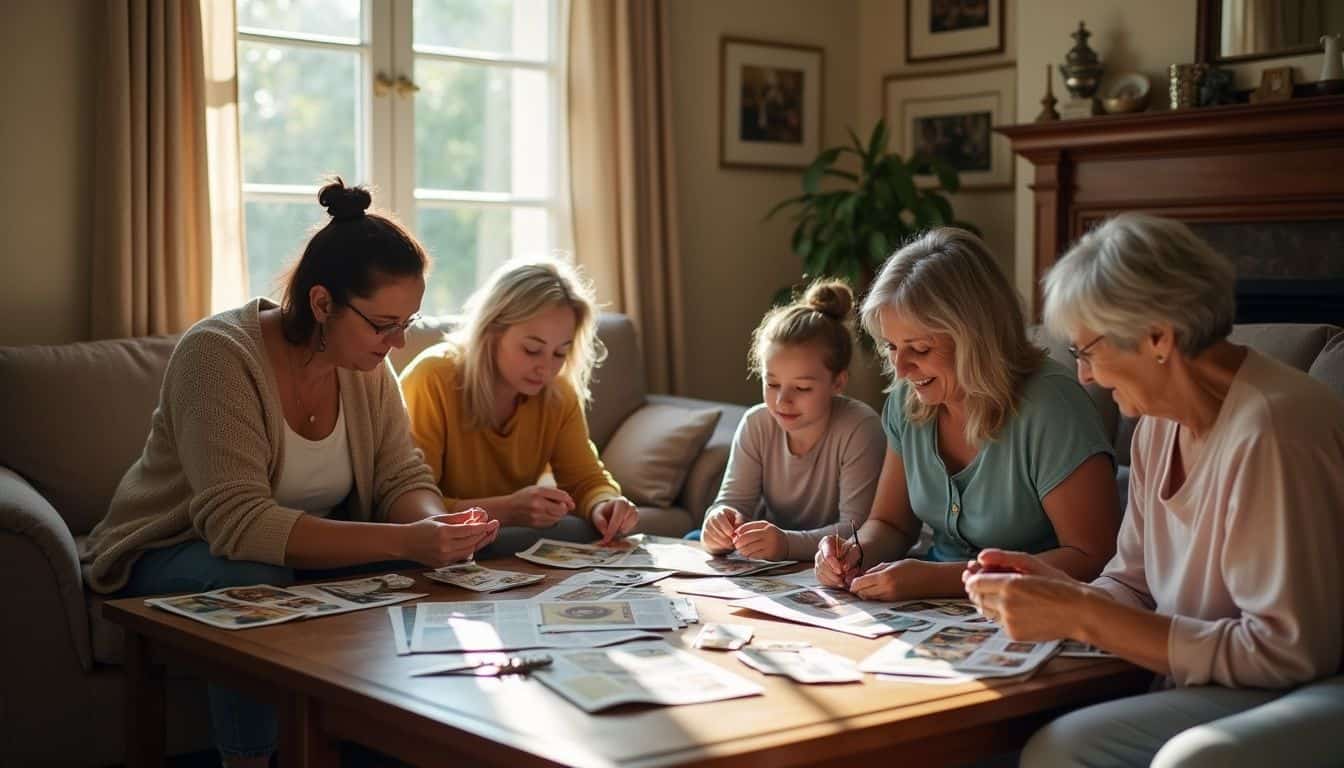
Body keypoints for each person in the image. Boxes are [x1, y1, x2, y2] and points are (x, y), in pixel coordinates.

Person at [79, 179, 499, 768]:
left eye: (408, 322)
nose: (398, 343)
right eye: (384, 324)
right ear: (322, 303)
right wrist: (407, 538)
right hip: (175, 549)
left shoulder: (364, 363)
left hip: (292, 548)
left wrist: (438, 529)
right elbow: (238, 526)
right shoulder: (217, 356)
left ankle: (403, 743)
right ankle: (251, 760)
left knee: (424, 565)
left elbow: (402, 478)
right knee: (252, 570)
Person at [965, 213, 1344, 767]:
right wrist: (1059, 591)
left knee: (1095, 752)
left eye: (1087, 352)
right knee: (1034, 735)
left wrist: (1082, 617)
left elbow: (1287, 651)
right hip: (1225, 676)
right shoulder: (1157, 426)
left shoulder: (1273, 429)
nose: (1086, 376)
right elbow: (1136, 585)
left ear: (1158, 336)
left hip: (1307, 685)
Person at [814, 228, 1121, 601]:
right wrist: (855, 552)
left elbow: (1093, 558)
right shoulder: (907, 399)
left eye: (921, 348)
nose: (901, 368)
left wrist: (939, 580)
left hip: (1038, 610)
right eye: (892, 346)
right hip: (935, 619)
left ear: (977, 339)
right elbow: (891, 524)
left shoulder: (1052, 406)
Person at [399, 258, 638, 555]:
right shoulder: (434, 377)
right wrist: (507, 510)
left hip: (505, 548)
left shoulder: (557, 393)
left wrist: (605, 503)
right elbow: (409, 507)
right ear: (492, 330)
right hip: (434, 550)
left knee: (585, 530)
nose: (546, 368)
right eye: (532, 350)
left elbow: (585, 479)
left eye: (560, 353)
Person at [699, 279, 885, 561]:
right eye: (772, 384)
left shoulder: (859, 427)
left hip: (834, 560)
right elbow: (733, 502)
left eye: (802, 388)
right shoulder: (756, 423)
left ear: (838, 382)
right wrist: (719, 522)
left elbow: (857, 530)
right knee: (694, 540)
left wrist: (786, 544)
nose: (782, 401)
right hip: (770, 555)